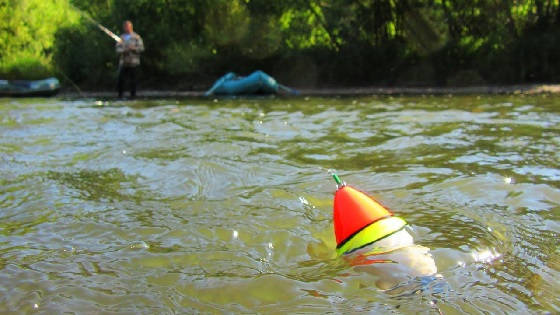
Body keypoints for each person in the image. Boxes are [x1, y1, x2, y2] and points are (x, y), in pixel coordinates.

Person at [116, 20, 144, 98]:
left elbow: (141, 48)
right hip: (124, 63)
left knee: (133, 81)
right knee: (121, 80)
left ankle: (133, 96)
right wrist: (125, 50)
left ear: (131, 27)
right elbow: (117, 49)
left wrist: (133, 48)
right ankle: (120, 96)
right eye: (125, 26)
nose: (126, 28)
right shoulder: (121, 38)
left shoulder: (136, 37)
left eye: (128, 26)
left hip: (134, 63)